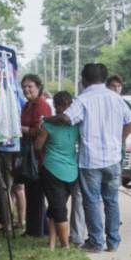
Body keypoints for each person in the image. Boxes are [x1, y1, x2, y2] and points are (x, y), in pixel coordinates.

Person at [57, 63, 131, 253]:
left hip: (90, 159)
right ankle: (114, 241)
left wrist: (48, 119)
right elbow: (130, 122)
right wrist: (119, 139)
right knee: (112, 200)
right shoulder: (117, 99)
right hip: (113, 158)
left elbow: (67, 119)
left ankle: (96, 241)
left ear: (84, 79)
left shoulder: (83, 99)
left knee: (91, 201)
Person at [36, 91, 80, 251]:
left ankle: (64, 245)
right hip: (71, 171)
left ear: (55, 106)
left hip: (52, 170)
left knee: (58, 209)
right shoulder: (77, 125)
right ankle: (54, 244)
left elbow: (38, 146)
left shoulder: (47, 125)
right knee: (57, 206)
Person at [18, 75, 52, 239]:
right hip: (27, 152)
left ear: (38, 87)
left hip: (39, 155)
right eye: (24, 86)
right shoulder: (26, 105)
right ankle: (34, 228)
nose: (26, 89)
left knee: (37, 193)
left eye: (30, 86)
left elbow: (42, 130)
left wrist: (25, 130)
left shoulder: (42, 105)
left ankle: (38, 230)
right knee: (30, 192)